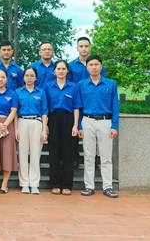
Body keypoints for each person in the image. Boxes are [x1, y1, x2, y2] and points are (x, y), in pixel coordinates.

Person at [78, 55, 119, 198]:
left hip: (105, 122)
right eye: (91, 65)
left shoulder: (110, 84)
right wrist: (79, 126)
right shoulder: (81, 85)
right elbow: (78, 107)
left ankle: (107, 187)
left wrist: (115, 125)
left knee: (106, 156)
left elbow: (115, 106)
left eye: (96, 64)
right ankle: (89, 186)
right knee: (88, 156)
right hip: (87, 120)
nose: (94, 67)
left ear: (101, 66)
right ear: (87, 67)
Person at [43, 60, 82, 195]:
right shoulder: (48, 87)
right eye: (58, 68)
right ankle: (55, 183)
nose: (60, 71)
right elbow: (45, 108)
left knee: (68, 153)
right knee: (54, 152)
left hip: (68, 119)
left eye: (63, 69)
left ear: (67, 71)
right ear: (54, 71)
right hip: (53, 119)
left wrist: (76, 125)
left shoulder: (73, 87)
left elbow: (76, 107)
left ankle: (66, 185)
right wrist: (45, 125)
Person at [68, 37, 106, 168]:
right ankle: (74, 157)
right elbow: (70, 85)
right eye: (81, 46)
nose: (84, 49)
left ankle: (96, 157)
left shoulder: (98, 65)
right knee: (75, 129)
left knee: (94, 132)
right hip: (77, 102)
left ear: (90, 47)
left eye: (86, 46)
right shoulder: (71, 65)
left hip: (92, 102)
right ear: (77, 48)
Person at [14, 67, 48, 195]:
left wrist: (44, 129)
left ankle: (34, 183)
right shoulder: (18, 92)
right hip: (22, 122)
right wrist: (16, 129)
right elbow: (15, 112)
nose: (29, 78)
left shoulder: (41, 92)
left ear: (36, 78)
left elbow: (44, 111)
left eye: (32, 75)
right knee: (22, 153)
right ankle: (24, 183)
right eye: (27, 75)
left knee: (35, 154)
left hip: (37, 122)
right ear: (23, 78)